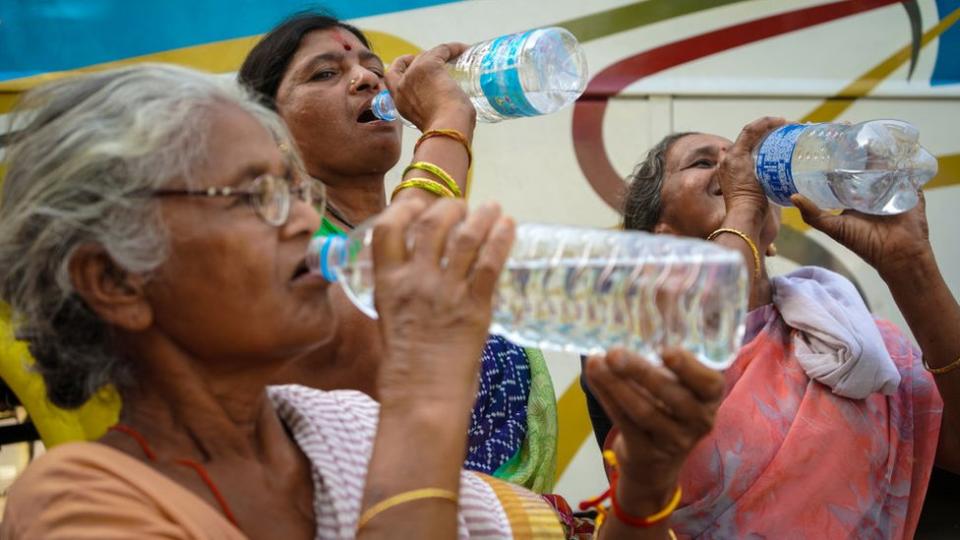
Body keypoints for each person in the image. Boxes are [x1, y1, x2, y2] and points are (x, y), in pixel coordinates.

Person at [0, 63, 724, 539]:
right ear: (116, 280)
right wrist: (427, 386)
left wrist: (647, 483)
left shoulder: (341, 428)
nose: (299, 221)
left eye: (296, 190)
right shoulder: (75, 508)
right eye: (255, 195)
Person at [582, 119, 960, 538]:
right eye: (704, 162)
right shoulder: (626, 335)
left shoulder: (852, 336)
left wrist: (911, 266)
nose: (732, 166)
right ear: (660, 233)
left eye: (740, 161)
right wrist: (743, 203)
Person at [237, 12, 555, 489]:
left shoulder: (454, 242)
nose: (366, 78)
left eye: (373, 66)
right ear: (270, 131)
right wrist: (448, 124)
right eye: (325, 73)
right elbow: (388, 309)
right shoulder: (275, 244)